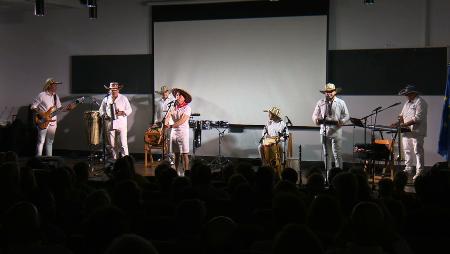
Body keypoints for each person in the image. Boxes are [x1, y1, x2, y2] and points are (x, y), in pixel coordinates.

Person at [312, 83, 350, 178]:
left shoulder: (341, 102)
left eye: (330, 92)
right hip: (324, 131)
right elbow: (314, 115)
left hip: (336, 131)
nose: (328, 93)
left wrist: (342, 121)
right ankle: (328, 176)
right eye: (326, 92)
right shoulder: (321, 102)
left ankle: (339, 175)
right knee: (326, 155)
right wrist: (316, 120)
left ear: (334, 92)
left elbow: (347, 115)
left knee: (337, 154)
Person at [391, 84, 427, 180]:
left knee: (418, 151)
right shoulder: (407, 103)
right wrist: (397, 123)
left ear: (413, 93)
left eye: (407, 94)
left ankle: (420, 171)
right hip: (406, 131)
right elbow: (402, 115)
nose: (406, 96)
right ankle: (408, 169)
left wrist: (403, 124)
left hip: (417, 131)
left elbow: (418, 118)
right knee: (407, 150)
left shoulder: (420, 102)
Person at [31, 78, 75, 156]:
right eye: (54, 85)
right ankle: (38, 160)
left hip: (53, 122)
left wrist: (68, 108)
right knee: (41, 141)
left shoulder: (55, 96)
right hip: (43, 120)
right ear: (48, 85)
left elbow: (59, 109)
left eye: (56, 85)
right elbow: (33, 107)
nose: (56, 87)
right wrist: (43, 115)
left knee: (50, 142)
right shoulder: (42, 95)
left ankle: (49, 160)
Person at [99, 82, 132, 160]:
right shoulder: (106, 99)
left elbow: (130, 109)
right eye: (112, 90)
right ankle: (115, 160)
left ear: (118, 90)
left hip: (121, 123)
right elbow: (101, 110)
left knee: (123, 144)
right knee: (113, 144)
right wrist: (104, 115)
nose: (113, 91)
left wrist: (122, 112)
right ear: (110, 90)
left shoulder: (123, 98)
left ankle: (126, 161)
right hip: (110, 123)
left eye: (115, 89)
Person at [165, 88, 191, 175]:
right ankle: (175, 172)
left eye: (180, 95)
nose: (178, 97)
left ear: (184, 97)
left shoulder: (187, 108)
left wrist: (171, 125)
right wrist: (166, 122)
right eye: (177, 95)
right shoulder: (173, 106)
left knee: (184, 154)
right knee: (176, 154)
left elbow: (182, 121)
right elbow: (168, 116)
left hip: (183, 132)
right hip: (174, 132)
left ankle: (186, 171)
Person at [258, 106, 289, 174]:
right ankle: (264, 163)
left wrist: (278, 138)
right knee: (260, 146)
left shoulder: (282, 124)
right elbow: (264, 132)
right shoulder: (269, 122)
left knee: (279, 147)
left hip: (278, 142)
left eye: (270, 114)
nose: (268, 115)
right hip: (269, 140)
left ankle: (278, 167)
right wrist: (266, 136)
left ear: (274, 115)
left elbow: (286, 135)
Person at [152, 85, 175, 161]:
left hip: (170, 123)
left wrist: (170, 121)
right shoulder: (158, 102)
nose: (164, 93)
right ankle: (165, 156)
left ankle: (170, 156)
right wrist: (155, 122)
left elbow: (174, 112)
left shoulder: (172, 100)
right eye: (163, 92)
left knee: (169, 139)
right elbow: (156, 113)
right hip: (161, 123)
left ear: (168, 92)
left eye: (166, 92)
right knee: (163, 140)